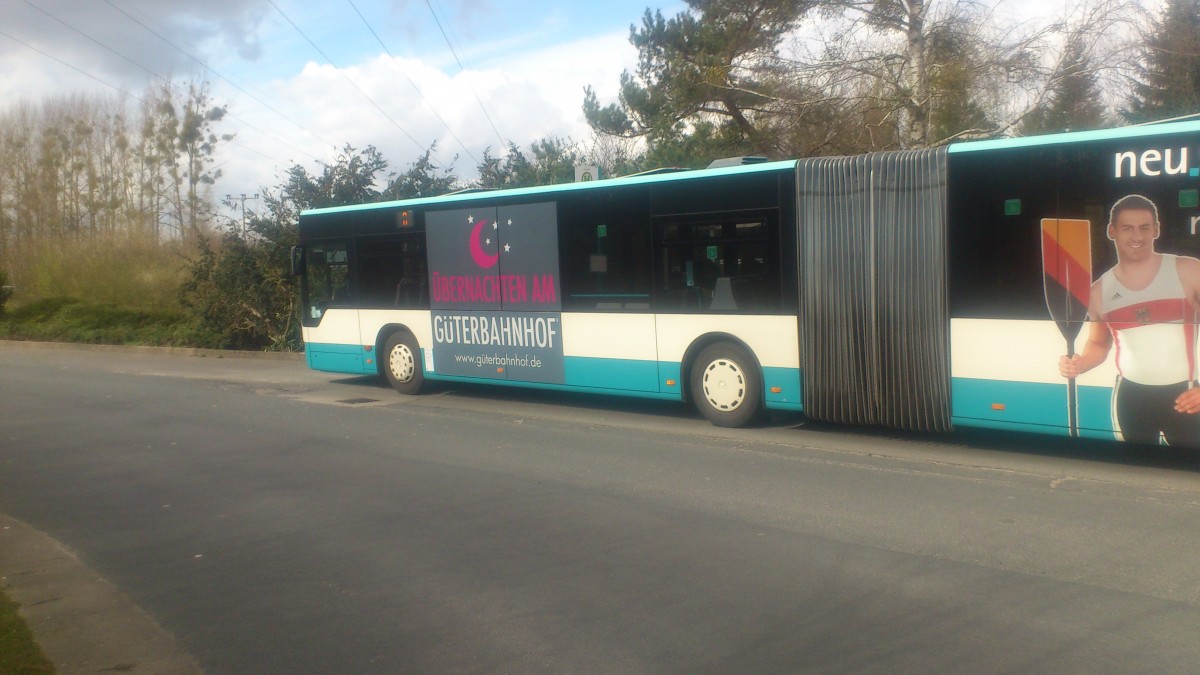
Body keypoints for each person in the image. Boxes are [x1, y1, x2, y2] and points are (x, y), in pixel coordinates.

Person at [1059, 194, 1200, 445]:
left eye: (1144, 227)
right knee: (1137, 472)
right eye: (1127, 228)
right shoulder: (1099, 291)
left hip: (1187, 396)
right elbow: (1099, 344)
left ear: (1156, 230)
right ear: (1112, 231)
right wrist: (1079, 364)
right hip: (1131, 398)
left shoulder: (1188, 271)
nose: (1137, 236)